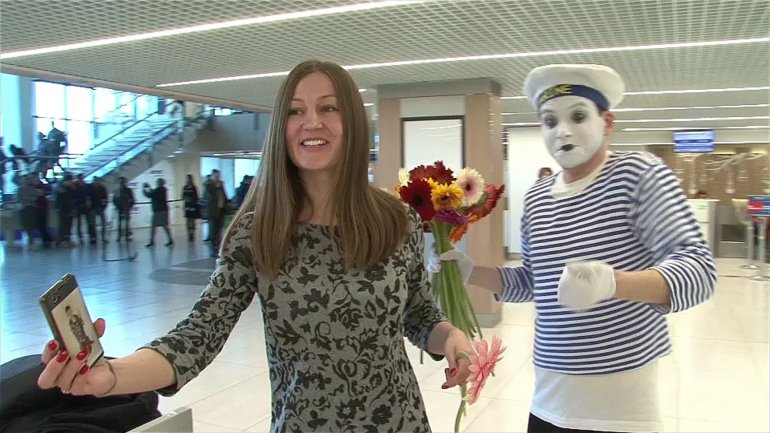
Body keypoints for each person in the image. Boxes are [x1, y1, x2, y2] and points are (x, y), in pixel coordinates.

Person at [36, 59, 474, 433]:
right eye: (296, 111)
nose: (312, 122)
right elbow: (197, 337)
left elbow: (419, 315)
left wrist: (452, 337)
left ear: (353, 123)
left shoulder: (396, 219)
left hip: (398, 421)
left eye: (329, 108)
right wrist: (112, 376)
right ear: (281, 127)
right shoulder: (259, 230)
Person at [443, 64, 717, 432]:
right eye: (550, 121)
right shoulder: (538, 198)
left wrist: (612, 282)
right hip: (549, 401)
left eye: (577, 116)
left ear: (607, 121)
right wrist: (471, 273)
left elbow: (699, 269)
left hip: (622, 411)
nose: (563, 131)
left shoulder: (639, 175)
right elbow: (531, 282)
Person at [142, 178, 173, 247]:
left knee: (155, 226)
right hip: (162, 210)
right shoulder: (162, 189)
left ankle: (152, 241)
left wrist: (144, 189)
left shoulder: (159, 190)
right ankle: (170, 239)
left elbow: (150, 195)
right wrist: (149, 188)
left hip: (159, 211)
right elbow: (153, 192)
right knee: (164, 225)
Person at [203, 169, 227, 257]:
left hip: (221, 211)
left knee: (220, 229)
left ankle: (218, 247)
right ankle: (214, 248)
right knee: (213, 230)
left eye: (219, 176)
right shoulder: (208, 185)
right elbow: (210, 196)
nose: (218, 178)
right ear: (212, 176)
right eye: (216, 176)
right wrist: (216, 185)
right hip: (213, 212)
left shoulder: (221, 185)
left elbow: (224, 196)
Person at [112, 177, 134, 242]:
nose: (122, 184)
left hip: (126, 208)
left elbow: (132, 199)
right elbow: (114, 200)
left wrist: (129, 206)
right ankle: (119, 236)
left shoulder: (128, 190)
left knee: (127, 223)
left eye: (123, 182)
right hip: (120, 208)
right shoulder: (117, 191)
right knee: (120, 223)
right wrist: (117, 206)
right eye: (121, 183)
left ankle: (127, 236)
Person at [181, 174, 200, 241]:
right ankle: (189, 234)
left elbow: (196, 197)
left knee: (192, 220)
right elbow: (182, 196)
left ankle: (192, 234)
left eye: (189, 179)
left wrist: (191, 199)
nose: (188, 180)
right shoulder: (185, 187)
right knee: (188, 220)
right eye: (187, 179)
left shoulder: (194, 188)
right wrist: (186, 199)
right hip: (187, 205)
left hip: (192, 205)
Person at [91, 177, 109, 243]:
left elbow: (105, 198)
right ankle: (94, 238)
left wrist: (104, 206)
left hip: (100, 207)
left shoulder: (102, 188)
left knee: (103, 224)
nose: (96, 182)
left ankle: (103, 238)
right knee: (93, 224)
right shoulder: (90, 188)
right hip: (93, 207)